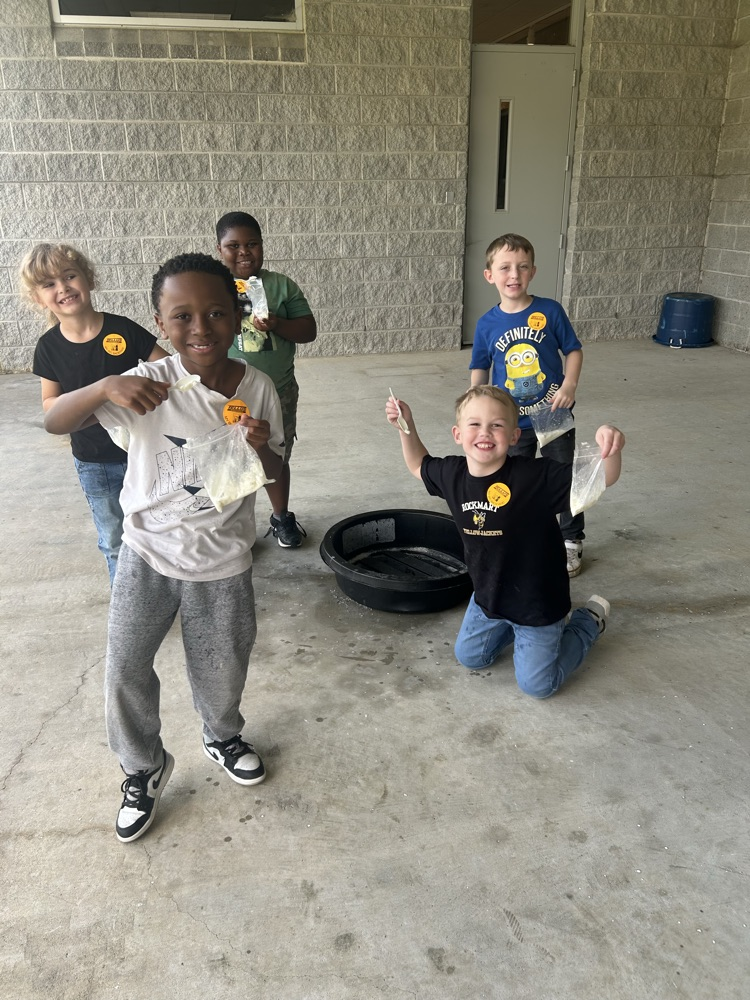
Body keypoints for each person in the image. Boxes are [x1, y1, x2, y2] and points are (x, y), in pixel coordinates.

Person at [43, 253, 285, 843]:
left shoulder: (258, 388)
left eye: (216, 313)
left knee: (222, 664)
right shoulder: (147, 385)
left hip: (223, 557)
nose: (200, 328)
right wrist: (104, 384)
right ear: (160, 322)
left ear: (238, 316)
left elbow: (276, 468)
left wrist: (260, 447)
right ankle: (143, 766)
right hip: (146, 550)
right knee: (124, 666)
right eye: (182, 316)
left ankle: (221, 733)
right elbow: (54, 420)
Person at [385, 384, 625, 699]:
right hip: (489, 599)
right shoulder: (452, 474)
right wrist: (407, 427)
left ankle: (585, 622)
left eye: (497, 425)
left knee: (538, 686)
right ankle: (515, 632)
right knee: (470, 657)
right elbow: (418, 465)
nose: (485, 432)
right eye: (475, 424)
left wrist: (612, 446)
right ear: (458, 434)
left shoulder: (535, 477)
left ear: (513, 436)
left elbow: (602, 477)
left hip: (538, 604)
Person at [21, 243, 168, 584]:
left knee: (159, 528)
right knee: (115, 540)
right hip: (94, 462)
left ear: (88, 278)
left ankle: (164, 590)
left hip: (145, 451)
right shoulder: (48, 348)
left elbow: (168, 370)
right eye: (49, 284)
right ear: (38, 297)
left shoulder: (123, 329)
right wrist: (100, 393)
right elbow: (50, 406)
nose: (63, 288)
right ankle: (128, 602)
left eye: (70, 276)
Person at [469, 233, 587, 577]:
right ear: (489, 274)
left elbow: (574, 350)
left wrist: (569, 383)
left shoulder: (549, 311)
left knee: (563, 477)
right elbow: (480, 366)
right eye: (504, 267)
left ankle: (570, 540)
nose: (514, 275)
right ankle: (514, 534)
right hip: (511, 422)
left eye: (522, 267)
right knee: (511, 479)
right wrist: (475, 407)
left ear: (533, 271)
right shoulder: (487, 324)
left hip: (553, 414)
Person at [215, 211, 317, 549]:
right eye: (234, 246)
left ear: (262, 246)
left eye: (252, 244)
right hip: (224, 391)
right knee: (225, 457)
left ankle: (280, 515)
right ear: (219, 249)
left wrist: (278, 324)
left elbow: (309, 330)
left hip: (277, 390)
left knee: (275, 453)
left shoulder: (281, 285)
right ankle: (228, 524)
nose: (244, 252)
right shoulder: (212, 286)